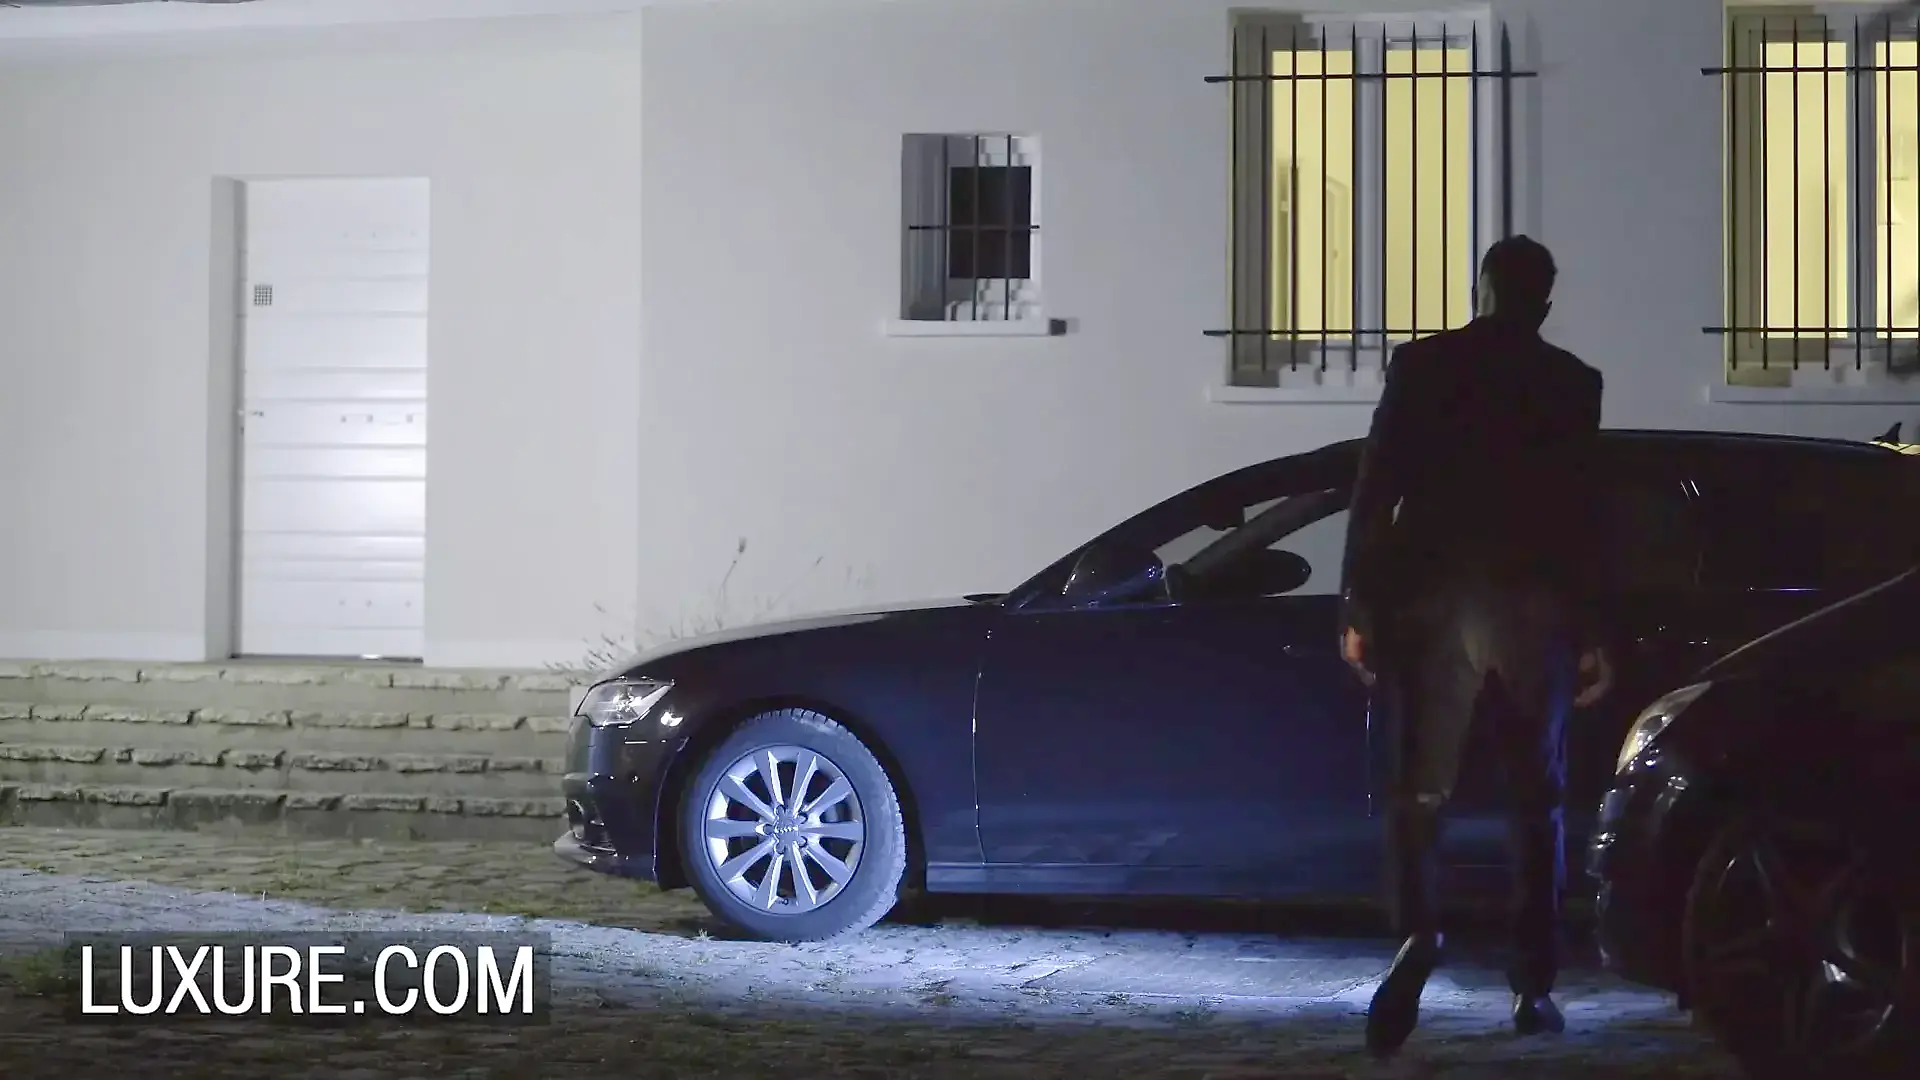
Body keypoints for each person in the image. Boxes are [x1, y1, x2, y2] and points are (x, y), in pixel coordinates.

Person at [1336, 235, 1615, 1059]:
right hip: (1532, 608)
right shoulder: (1572, 383)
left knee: (1419, 792)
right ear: (1545, 304)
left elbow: (1376, 488)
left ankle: (1419, 932)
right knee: (1537, 801)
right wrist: (1590, 629)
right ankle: (1532, 982)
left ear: (1479, 290)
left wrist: (1360, 604)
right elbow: (1582, 516)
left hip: (1434, 602)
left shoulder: (1423, 367)